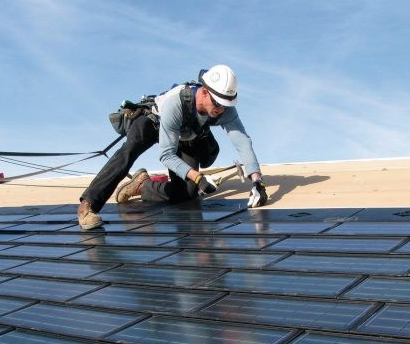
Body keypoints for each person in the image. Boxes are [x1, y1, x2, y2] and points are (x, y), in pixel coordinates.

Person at [78, 64, 268, 230]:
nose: (221, 109)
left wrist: (257, 182)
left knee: (187, 194)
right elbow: (166, 154)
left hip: (185, 134)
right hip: (153, 123)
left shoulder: (224, 110)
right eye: (217, 103)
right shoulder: (176, 104)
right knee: (128, 153)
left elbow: (242, 140)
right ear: (204, 92)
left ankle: (142, 185)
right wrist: (198, 177)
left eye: (226, 105)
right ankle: (88, 205)